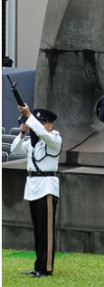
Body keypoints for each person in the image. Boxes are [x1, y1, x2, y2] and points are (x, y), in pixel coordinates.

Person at [11, 106, 62, 278]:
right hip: (33, 187)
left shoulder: (54, 138)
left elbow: (44, 135)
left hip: (46, 187)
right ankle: (38, 265)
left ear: (50, 125)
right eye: (37, 122)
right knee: (38, 229)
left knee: (46, 230)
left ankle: (46, 268)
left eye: (42, 122)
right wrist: (24, 132)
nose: (39, 125)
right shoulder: (34, 142)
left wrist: (29, 116)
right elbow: (15, 149)